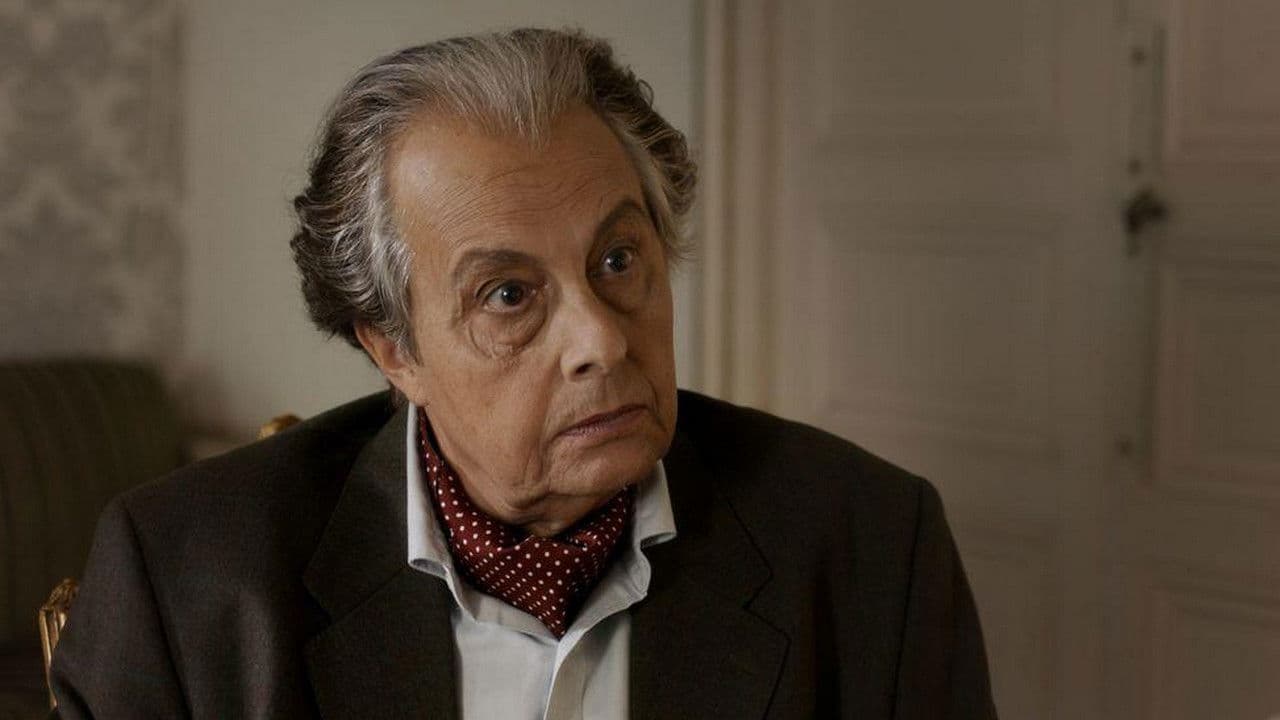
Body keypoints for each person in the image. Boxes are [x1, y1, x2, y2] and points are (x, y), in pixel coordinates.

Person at [49, 28, 997, 719]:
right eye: (508, 295)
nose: (601, 342)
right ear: (394, 349)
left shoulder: (870, 546)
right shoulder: (189, 576)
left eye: (618, 261)